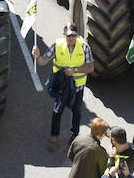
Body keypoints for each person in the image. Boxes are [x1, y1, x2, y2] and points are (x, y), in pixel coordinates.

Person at [32, 21, 93, 151]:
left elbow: (90, 67)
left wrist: (74, 70)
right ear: (64, 35)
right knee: (57, 111)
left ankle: (74, 137)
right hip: (61, 86)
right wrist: (37, 56)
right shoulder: (57, 46)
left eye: (73, 35)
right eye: (68, 35)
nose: (71, 38)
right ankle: (54, 138)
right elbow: (43, 61)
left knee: (76, 112)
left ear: (77, 35)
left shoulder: (84, 47)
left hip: (77, 87)